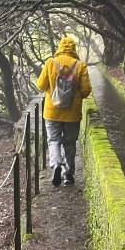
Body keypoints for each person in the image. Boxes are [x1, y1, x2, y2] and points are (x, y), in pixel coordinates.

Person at [36, 36, 92, 186]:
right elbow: (86, 90)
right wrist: (74, 94)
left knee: (53, 140)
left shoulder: (50, 62)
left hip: (52, 112)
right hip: (72, 114)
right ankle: (67, 175)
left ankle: (56, 165)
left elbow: (41, 85)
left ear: (60, 47)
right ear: (73, 49)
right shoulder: (80, 66)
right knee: (70, 143)